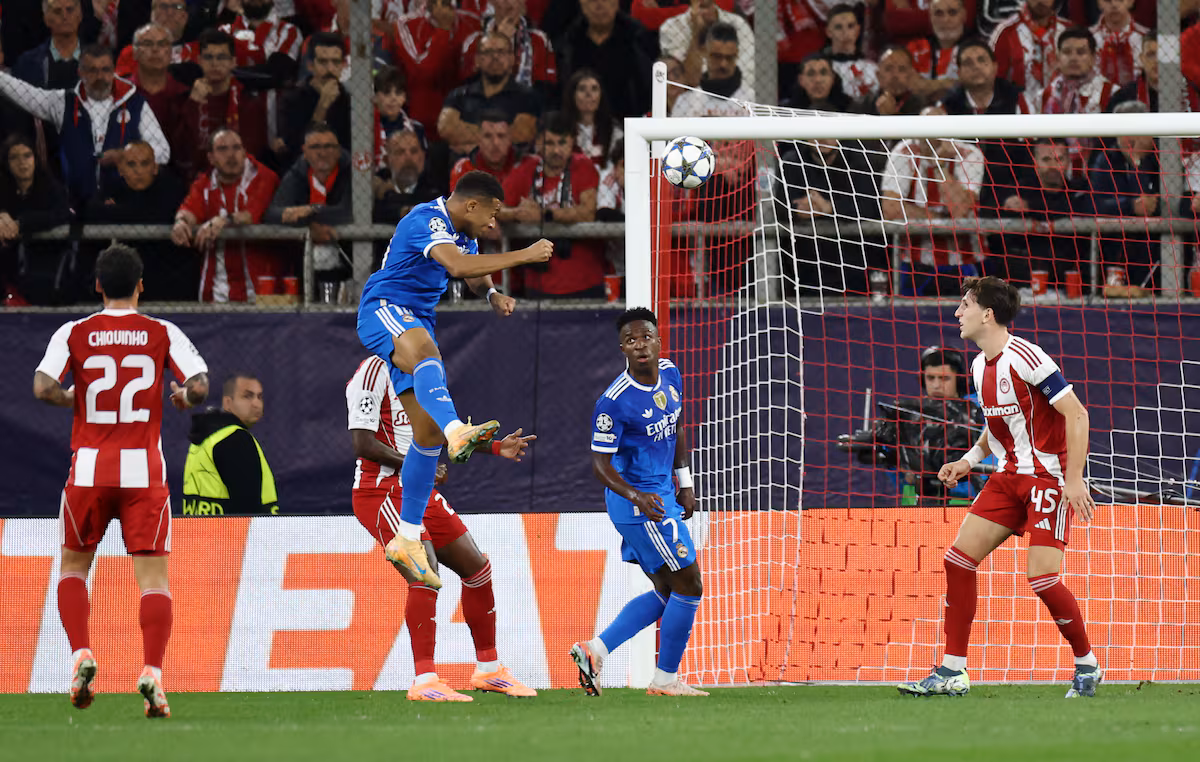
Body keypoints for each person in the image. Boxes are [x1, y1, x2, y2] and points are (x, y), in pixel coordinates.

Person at [898, 275, 1101, 699]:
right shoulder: (977, 366)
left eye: (965, 306)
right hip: (1007, 478)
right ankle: (952, 671)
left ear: (987, 314)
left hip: (1047, 478)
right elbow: (996, 427)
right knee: (958, 560)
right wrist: (968, 461)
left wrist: (1074, 480)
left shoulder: (1028, 357)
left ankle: (1087, 665)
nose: (958, 313)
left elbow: (1077, 414)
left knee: (1042, 579)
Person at [32, 242, 209, 717]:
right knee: (153, 579)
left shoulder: (74, 331)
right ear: (140, 286)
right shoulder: (162, 331)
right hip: (143, 470)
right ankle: (152, 671)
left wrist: (74, 398)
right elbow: (199, 384)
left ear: (97, 285)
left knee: (73, 569)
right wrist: (185, 398)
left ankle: (81, 653)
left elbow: (43, 386)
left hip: (90, 467)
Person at [355, 170, 553, 588]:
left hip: (417, 319)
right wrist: (524, 253)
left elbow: (473, 272)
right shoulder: (427, 220)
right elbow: (458, 265)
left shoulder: (464, 232)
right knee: (428, 356)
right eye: (492, 213)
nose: (493, 223)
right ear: (471, 205)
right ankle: (457, 430)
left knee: (426, 437)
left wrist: (491, 294)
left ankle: (407, 538)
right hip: (385, 307)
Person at [346, 354, 538, 700]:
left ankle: (489, 670)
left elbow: (440, 432)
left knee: (477, 568)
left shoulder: (424, 370)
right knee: (425, 571)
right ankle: (425, 680)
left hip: (416, 489)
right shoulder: (373, 371)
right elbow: (362, 442)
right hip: (380, 490)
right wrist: (417, 466)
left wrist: (496, 447)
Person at [571, 307, 706, 698]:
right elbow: (600, 465)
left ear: (658, 340)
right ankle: (665, 680)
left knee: (668, 589)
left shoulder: (671, 373)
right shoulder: (613, 402)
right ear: (622, 349)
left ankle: (595, 651)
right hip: (637, 504)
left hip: (661, 495)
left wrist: (685, 482)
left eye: (646, 336)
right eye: (631, 341)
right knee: (690, 584)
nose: (640, 345)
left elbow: (677, 426)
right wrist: (637, 496)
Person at [0, 44, 171, 206]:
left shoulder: (136, 104)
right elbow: (27, 94)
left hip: (127, 207)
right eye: (92, 70)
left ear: (113, 70)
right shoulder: (63, 103)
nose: (100, 77)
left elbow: (162, 151)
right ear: (80, 72)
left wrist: (124, 155)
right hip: (78, 208)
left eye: (105, 70)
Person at [836, 345, 985, 503]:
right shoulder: (907, 412)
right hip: (913, 500)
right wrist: (881, 453)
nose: (936, 385)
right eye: (930, 378)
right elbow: (896, 460)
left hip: (964, 499)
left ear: (959, 379)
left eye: (944, 378)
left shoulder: (977, 412)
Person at [182, 373, 277, 515]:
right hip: (242, 530)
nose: (256, 404)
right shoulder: (235, 439)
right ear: (228, 403)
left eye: (259, 397)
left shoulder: (205, 439)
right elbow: (248, 511)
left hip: (198, 528)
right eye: (247, 396)